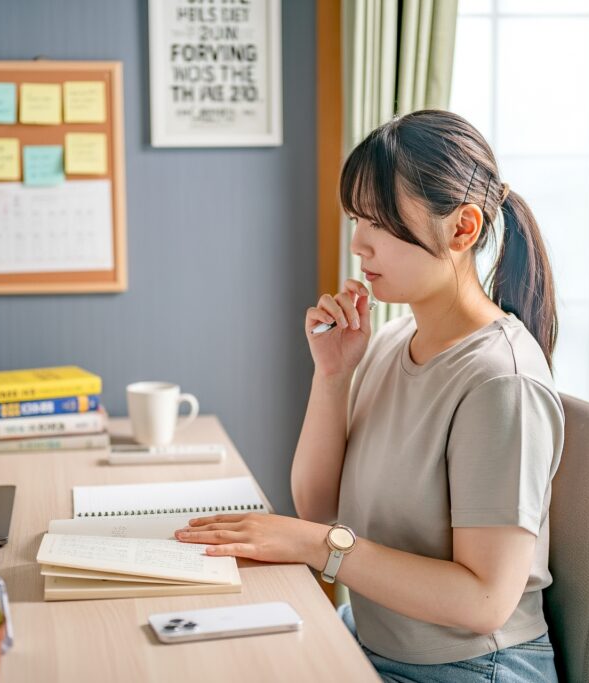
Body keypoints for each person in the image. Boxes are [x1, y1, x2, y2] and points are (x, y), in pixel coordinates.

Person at [174, 110, 564, 682]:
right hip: (375, 641)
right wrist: (331, 377)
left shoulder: (499, 383)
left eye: (378, 221)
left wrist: (317, 547)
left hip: (471, 668)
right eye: (357, 218)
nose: (358, 243)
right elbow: (319, 508)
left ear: (462, 229)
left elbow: (484, 602)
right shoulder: (391, 339)